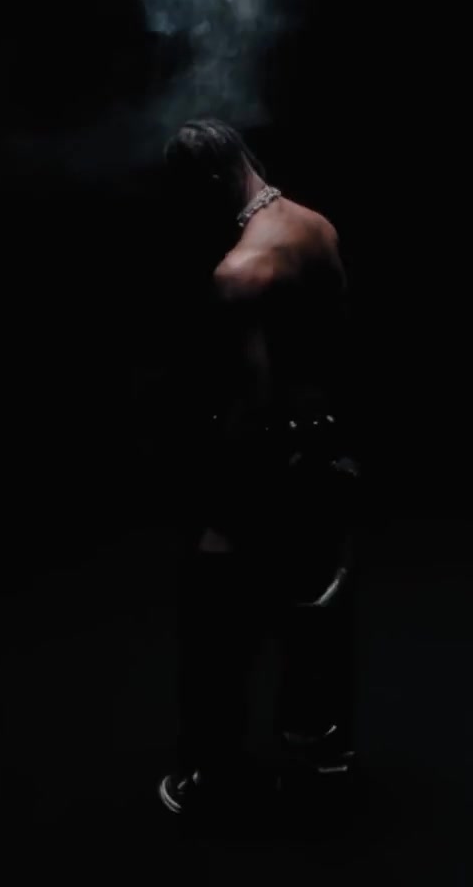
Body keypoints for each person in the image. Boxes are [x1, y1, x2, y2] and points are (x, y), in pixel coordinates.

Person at [154, 119, 361, 819]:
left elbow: (255, 401)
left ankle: (214, 773)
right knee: (314, 610)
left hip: (271, 463)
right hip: (327, 450)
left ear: (212, 180)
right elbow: (335, 343)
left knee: (216, 618)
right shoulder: (317, 226)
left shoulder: (239, 271)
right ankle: (320, 758)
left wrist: (219, 501)